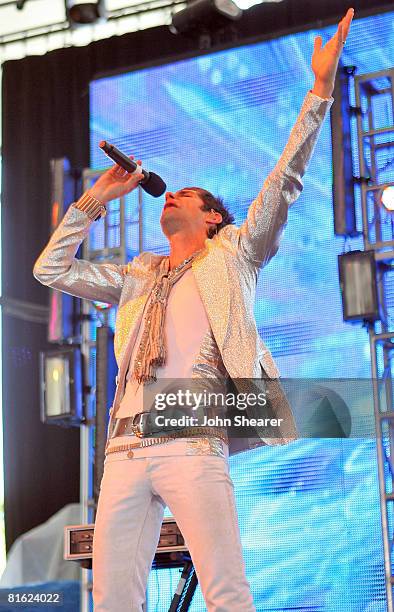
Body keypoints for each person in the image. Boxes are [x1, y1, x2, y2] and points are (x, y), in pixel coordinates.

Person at [33, 8, 354, 611]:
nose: (172, 195)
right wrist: (97, 196)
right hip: (125, 450)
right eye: (170, 193)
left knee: (226, 591)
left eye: (190, 194)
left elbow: (285, 179)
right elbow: (50, 271)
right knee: (112, 600)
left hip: (191, 439)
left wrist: (319, 89)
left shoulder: (234, 252)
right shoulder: (139, 273)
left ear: (213, 217)